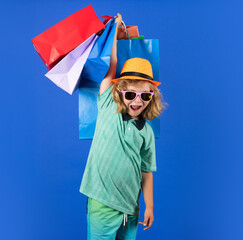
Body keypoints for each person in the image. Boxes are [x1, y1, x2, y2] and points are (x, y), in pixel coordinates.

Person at [80, 13, 165, 240]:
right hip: (103, 203)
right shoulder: (108, 105)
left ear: (152, 96)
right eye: (130, 94)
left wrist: (149, 206)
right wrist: (115, 32)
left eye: (145, 96)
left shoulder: (146, 132)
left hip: (131, 206)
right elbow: (112, 64)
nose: (137, 101)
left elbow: (146, 172)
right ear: (119, 91)